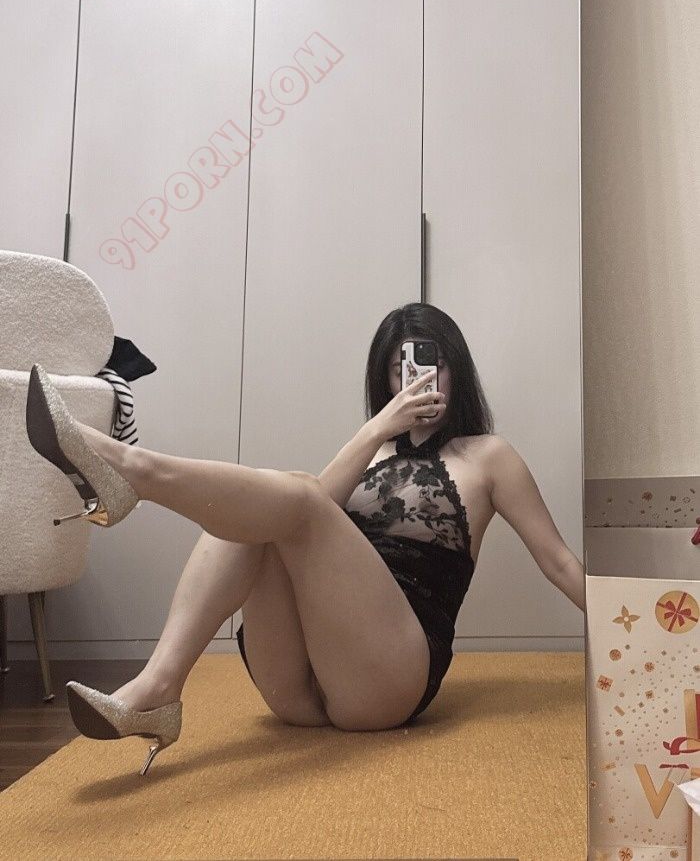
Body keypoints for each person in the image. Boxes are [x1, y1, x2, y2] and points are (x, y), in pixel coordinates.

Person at [25, 301, 585, 775]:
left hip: (389, 678)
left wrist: (624, 629)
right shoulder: (373, 448)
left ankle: (133, 470)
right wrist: (376, 429)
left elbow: (558, 561)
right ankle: (159, 687)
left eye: (427, 362)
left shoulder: (489, 456)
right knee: (266, 504)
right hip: (296, 686)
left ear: (455, 368)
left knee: (290, 491)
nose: (413, 378)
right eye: (398, 369)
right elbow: (310, 506)